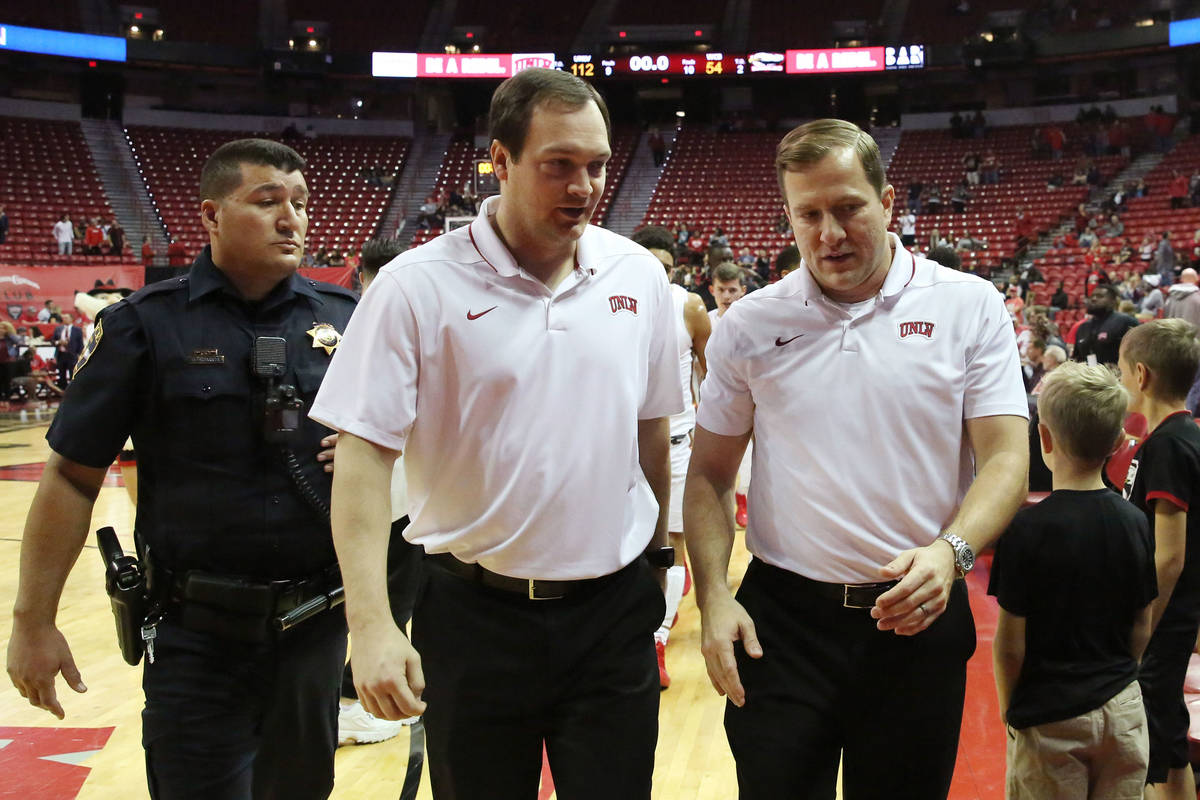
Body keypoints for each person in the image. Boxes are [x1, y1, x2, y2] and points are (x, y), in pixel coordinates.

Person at [308, 68, 683, 800]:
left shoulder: (638, 276)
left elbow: (651, 429)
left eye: (597, 166)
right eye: (559, 165)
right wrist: (373, 625)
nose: (583, 186)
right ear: (501, 161)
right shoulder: (414, 287)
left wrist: (659, 558)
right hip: (472, 617)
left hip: (611, 618)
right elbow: (360, 461)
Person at [684, 118, 1029, 799]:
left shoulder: (967, 306)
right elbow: (708, 474)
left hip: (917, 613)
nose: (829, 234)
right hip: (782, 625)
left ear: (889, 201)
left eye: (847, 208)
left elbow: (1006, 459)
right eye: (807, 215)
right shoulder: (750, 324)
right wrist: (716, 594)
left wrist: (951, 553)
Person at [6, 138, 358, 799]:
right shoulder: (144, 325)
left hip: (315, 625)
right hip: (196, 632)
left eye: (302, 204)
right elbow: (72, 475)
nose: (293, 219)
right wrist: (33, 621)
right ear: (209, 215)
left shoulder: (348, 323)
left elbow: (411, 461)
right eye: (267, 201)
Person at [991, 361, 1155, 799]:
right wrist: (1119, 676)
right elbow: (1142, 622)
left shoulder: (1025, 530)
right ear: (1120, 443)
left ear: (1042, 438)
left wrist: (1012, 710)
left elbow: (1010, 644)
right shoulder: (1136, 521)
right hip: (1123, 709)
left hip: (1050, 716)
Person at [336, 236, 423, 746]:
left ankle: (369, 698)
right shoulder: (365, 323)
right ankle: (358, 697)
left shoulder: (353, 321)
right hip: (386, 492)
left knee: (394, 598)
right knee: (390, 598)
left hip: (398, 490)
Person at [1117, 319, 1200, 800]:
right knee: (1165, 737)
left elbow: (1168, 558)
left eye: (1124, 372)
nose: (1123, 381)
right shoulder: (1173, 436)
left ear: (1142, 375)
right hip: (1172, 615)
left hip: (1164, 618)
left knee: (1156, 731)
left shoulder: (1169, 445)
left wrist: (1141, 628)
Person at [632, 224, 711, 689]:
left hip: (677, 442)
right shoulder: (606, 305)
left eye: (664, 267)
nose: (657, 275)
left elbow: (713, 376)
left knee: (670, 542)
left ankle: (656, 639)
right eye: (649, 266)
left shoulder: (690, 307)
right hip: (617, 444)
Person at [1072, 284, 1137, 366]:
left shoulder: (1126, 322)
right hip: (1088, 376)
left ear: (1113, 301)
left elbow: (1139, 354)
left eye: (1100, 296)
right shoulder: (1083, 327)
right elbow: (1077, 358)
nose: (1093, 299)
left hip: (1116, 376)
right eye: (1092, 296)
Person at [50, 313, 83, 390]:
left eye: (67, 318)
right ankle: (62, 390)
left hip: (72, 354)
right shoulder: (58, 329)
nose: (65, 319)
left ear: (71, 319)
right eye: (64, 318)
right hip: (61, 354)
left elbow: (80, 344)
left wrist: (79, 355)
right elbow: (52, 341)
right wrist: (58, 342)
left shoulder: (77, 330)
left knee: (73, 373)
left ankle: (72, 390)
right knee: (62, 373)